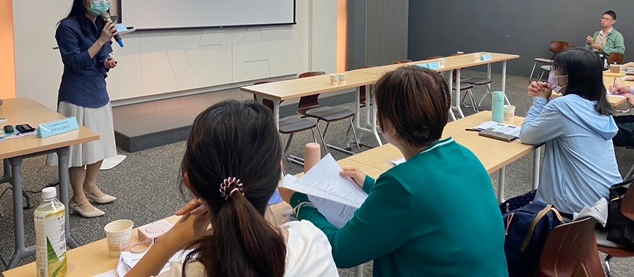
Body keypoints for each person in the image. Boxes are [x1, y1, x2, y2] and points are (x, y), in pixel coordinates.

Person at [280, 66, 508, 276]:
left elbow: (340, 251)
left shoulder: (402, 185)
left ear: (387, 123)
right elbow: (424, 199)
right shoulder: (464, 155)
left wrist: (301, 202)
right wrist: (372, 185)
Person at [127, 100, 338, 277]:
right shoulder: (312, 245)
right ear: (279, 172)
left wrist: (168, 242)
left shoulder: (184, 272)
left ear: (190, 184)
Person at [521, 48, 622, 215]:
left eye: (556, 70)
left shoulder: (562, 107)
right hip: (608, 202)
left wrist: (539, 101)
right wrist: (547, 99)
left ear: (569, 77)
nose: (553, 74)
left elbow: (527, 135)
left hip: (574, 209)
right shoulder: (599, 106)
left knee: (505, 215)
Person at [52, 0, 119, 218]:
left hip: (98, 91)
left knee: (98, 144)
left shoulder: (100, 23)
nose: (103, 2)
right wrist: (101, 40)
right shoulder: (67, 27)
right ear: (84, 0)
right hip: (77, 94)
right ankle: (78, 198)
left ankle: (91, 186)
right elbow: (75, 62)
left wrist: (107, 61)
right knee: (78, 150)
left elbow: (102, 55)